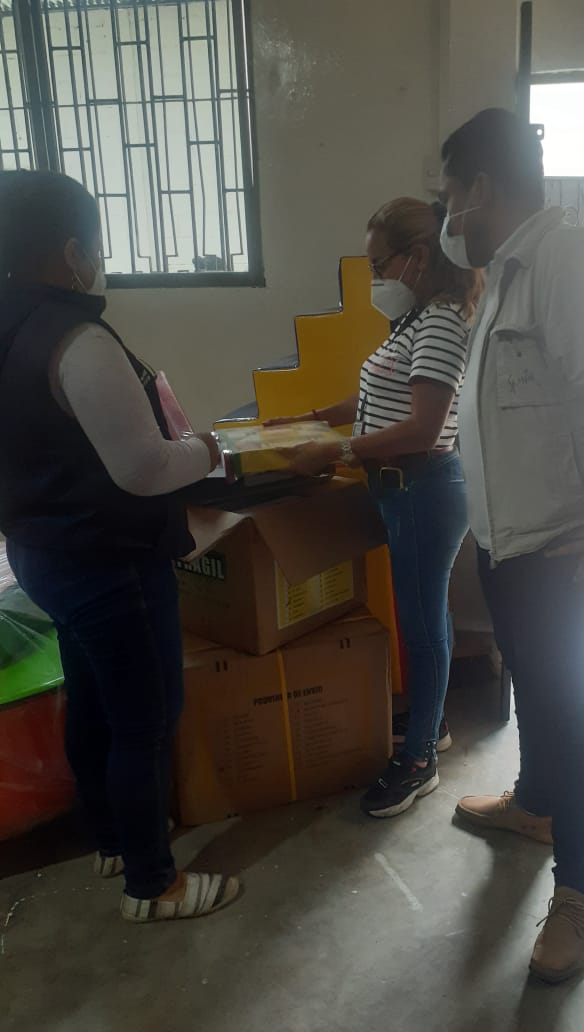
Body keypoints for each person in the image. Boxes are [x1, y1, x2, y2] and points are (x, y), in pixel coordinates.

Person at [438, 109, 584, 983]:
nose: (447, 213)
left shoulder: (570, 262)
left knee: (566, 708)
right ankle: (535, 804)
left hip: (566, 552)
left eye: (449, 194)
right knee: (538, 693)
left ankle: (578, 891)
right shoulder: (507, 276)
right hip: (509, 543)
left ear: (482, 188)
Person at [0, 170, 239, 922]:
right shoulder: (76, 337)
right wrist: (210, 448)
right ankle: (152, 883)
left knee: (94, 699)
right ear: (72, 250)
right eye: (95, 243)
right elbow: (143, 468)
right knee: (145, 717)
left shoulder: (9, 323)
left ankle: (109, 837)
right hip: (109, 562)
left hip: (43, 552)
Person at [267, 197, 481, 818]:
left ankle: (419, 762)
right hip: (402, 488)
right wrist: (309, 419)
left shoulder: (440, 322)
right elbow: (374, 394)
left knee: (421, 625)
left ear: (417, 258)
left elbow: (423, 429)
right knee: (427, 617)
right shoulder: (415, 319)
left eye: (378, 264)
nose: (373, 277)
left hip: (422, 489)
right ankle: (432, 726)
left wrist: (333, 449)